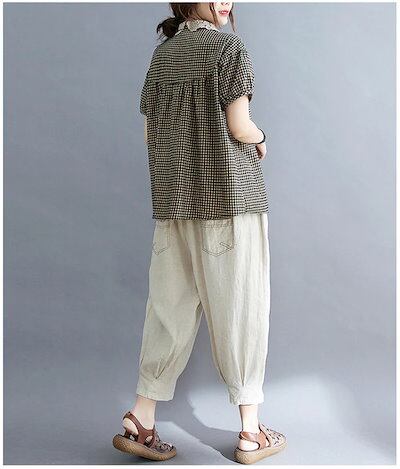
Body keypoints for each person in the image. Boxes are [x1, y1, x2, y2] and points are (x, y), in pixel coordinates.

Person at [112, 2, 287, 464]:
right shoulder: (229, 49)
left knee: (167, 312)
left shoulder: (162, 55)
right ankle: (250, 432)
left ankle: (141, 416)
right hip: (230, 202)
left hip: (174, 205)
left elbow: (150, 135)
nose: (226, 1)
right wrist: (262, 138)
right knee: (241, 309)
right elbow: (240, 127)